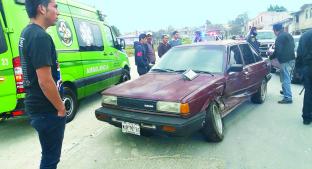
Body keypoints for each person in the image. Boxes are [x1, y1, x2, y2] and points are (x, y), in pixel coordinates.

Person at [19, 0, 66, 168]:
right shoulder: (40, 36)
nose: (58, 12)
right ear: (41, 8)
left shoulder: (27, 32)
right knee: (50, 159)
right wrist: (61, 108)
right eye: (55, 6)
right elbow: (45, 81)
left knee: (48, 155)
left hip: (37, 107)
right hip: (47, 110)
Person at [269, 23, 295, 104]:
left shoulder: (279, 37)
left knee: (285, 79)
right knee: (288, 77)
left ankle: (288, 97)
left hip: (285, 61)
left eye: (273, 31)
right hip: (292, 59)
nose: (274, 32)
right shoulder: (288, 35)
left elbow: (278, 51)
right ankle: (285, 91)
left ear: (276, 30)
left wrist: (271, 57)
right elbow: (293, 46)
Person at [295, 29, 312, 125]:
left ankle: (306, 117)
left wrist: (297, 69)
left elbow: (299, 55)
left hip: (307, 68)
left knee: (308, 92)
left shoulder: (305, 35)